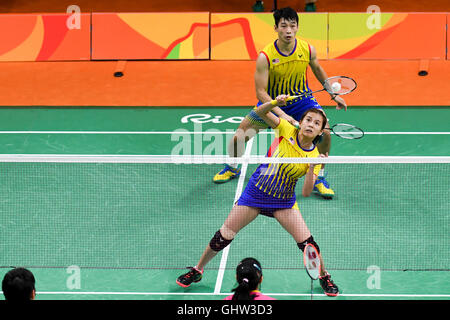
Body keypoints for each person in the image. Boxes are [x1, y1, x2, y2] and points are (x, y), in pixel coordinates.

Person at [178, 95, 340, 297]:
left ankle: (324, 275)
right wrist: (274, 103)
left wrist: (313, 168)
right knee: (222, 237)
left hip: (284, 202)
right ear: (300, 122)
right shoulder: (286, 129)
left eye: (316, 123)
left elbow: (306, 192)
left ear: (320, 131)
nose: (310, 124)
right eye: (308, 120)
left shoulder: (315, 157)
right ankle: (198, 269)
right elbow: (259, 113)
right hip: (256, 193)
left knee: (309, 245)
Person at [213, 7, 347, 200]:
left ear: (297, 27)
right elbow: (260, 92)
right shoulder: (265, 56)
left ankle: (319, 178)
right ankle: (232, 166)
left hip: (302, 101)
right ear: (276, 28)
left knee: (325, 132)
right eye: (284, 26)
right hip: (272, 104)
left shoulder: (307, 49)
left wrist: (334, 94)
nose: (288, 30)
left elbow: (317, 69)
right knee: (239, 137)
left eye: (292, 26)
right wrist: (282, 114)